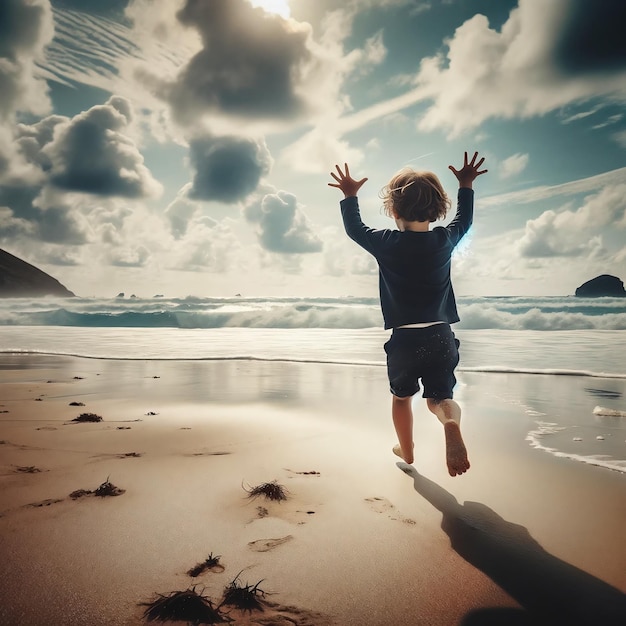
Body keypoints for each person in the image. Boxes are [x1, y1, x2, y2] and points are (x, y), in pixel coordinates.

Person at [328, 152, 487, 476]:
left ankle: (408, 451)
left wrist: (349, 195)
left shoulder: (385, 242)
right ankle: (450, 421)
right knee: (439, 398)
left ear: (393, 209)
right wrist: (466, 185)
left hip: (404, 340)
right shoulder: (444, 239)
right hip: (440, 335)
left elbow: (355, 228)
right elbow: (464, 222)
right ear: (437, 208)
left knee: (402, 398)